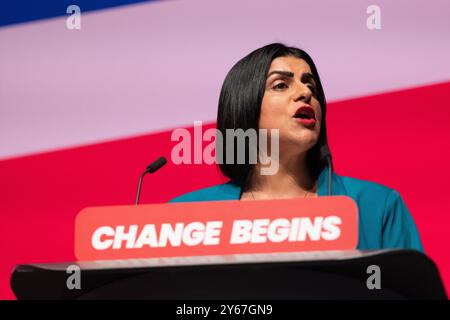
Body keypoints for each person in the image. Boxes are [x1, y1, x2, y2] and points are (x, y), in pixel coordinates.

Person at [169, 43, 423, 252]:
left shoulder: (375, 206)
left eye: (310, 85)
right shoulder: (185, 216)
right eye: (281, 85)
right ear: (244, 105)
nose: (305, 93)